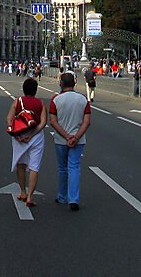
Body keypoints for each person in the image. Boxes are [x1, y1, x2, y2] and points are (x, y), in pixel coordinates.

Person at [48, 71, 91, 211]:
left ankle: (62, 196)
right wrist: (76, 137)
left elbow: (53, 122)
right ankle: (74, 199)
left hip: (61, 140)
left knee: (62, 168)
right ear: (74, 83)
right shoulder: (83, 99)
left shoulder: (56, 100)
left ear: (61, 83)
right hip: (78, 140)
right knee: (74, 168)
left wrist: (67, 137)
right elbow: (87, 122)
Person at [6, 78, 47, 208]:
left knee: (20, 164)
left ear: (23, 89)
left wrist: (17, 134)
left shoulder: (17, 101)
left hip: (19, 136)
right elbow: (43, 123)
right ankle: (30, 197)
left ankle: (23, 192)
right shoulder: (40, 103)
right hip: (36, 137)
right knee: (34, 167)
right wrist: (31, 135)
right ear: (36, 90)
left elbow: (9, 119)